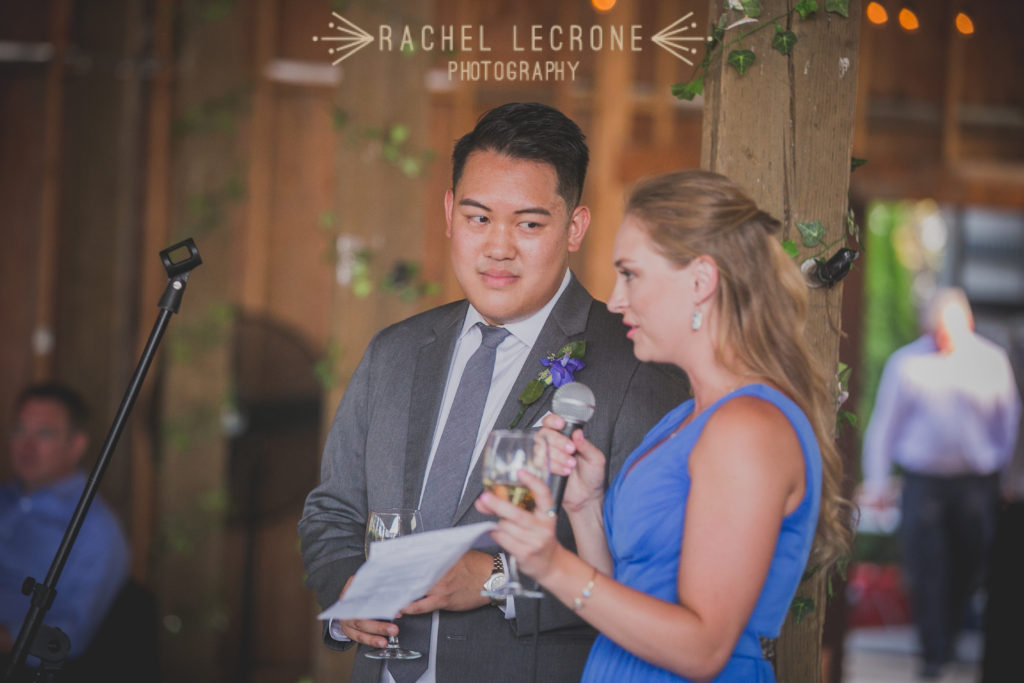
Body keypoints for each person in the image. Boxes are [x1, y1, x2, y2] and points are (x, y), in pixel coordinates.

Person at [297, 102, 689, 683]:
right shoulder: (395, 351)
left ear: (574, 227)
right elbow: (333, 511)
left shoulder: (636, 365)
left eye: (529, 224)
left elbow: (652, 575)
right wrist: (345, 591)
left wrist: (497, 579)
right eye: (478, 218)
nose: (498, 247)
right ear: (449, 213)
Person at [476, 169, 851, 682]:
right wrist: (584, 507)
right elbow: (630, 599)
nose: (615, 300)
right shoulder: (684, 419)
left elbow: (703, 648)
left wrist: (551, 565)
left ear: (700, 281)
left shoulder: (747, 427)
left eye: (631, 274)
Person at [861, 288, 1021, 679]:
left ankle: (948, 639)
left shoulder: (991, 361)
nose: (943, 340)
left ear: (968, 324)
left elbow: (1010, 422)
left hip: (976, 485)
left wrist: (1008, 478)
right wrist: (877, 483)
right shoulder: (907, 363)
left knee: (969, 566)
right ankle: (933, 654)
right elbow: (884, 425)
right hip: (924, 482)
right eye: (937, 333)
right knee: (926, 567)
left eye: (949, 332)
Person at [1, 383, 130, 663]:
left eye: (44, 434)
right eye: (20, 430)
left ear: (76, 445)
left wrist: (8, 639)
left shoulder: (95, 528)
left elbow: (72, 634)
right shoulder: (5, 498)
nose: (27, 447)